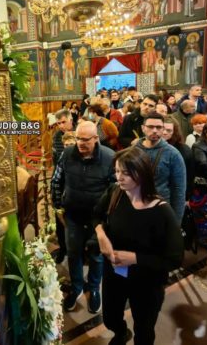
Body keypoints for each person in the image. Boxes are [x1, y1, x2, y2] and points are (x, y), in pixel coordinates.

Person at [94, 148, 183, 345]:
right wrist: (101, 234)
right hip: (115, 273)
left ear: (142, 173)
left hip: (146, 282)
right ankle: (121, 333)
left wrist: (135, 258)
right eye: (117, 171)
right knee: (110, 317)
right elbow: (96, 215)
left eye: (125, 173)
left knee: (143, 329)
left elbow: (174, 258)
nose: (119, 177)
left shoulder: (161, 211)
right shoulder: (115, 193)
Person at [51, 122, 116, 314]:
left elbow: (115, 190)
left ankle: (94, 288)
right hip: (73, 214)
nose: (80, 143)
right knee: (73, 252)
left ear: (96, 138)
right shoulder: (67, 154)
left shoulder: (109, 157)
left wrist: (108, 217)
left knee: (96, 254)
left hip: (98, 218)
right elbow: (57, 179)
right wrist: (58, 204)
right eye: (78, 138)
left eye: (85, 139)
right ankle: (77, 287)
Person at [135, 112, 187, 222]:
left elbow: (179, 190)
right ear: (143, 128)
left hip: (160, 209)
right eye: (150, 127)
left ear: (163, 129)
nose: (155, 130)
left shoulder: (173, 154)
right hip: (135, 206)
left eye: (158, 127)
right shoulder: (133, 150)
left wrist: (176, 222)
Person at [51, 109, 75, 263]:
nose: (60, 125)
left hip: (76, 183)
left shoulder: (81, 130)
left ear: (70, 120)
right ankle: (62, 249)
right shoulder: (56, 137)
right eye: (58, 123)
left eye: (63, 122)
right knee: (60, 222)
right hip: (61, 180)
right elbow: (58, 160)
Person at [163, 116, 194, 201]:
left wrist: (186, 197)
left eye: (168, 130)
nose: (164, 133)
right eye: (162, 129)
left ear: (174, 132)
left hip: (175, 193)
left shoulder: (184, 150)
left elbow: (189, 176)